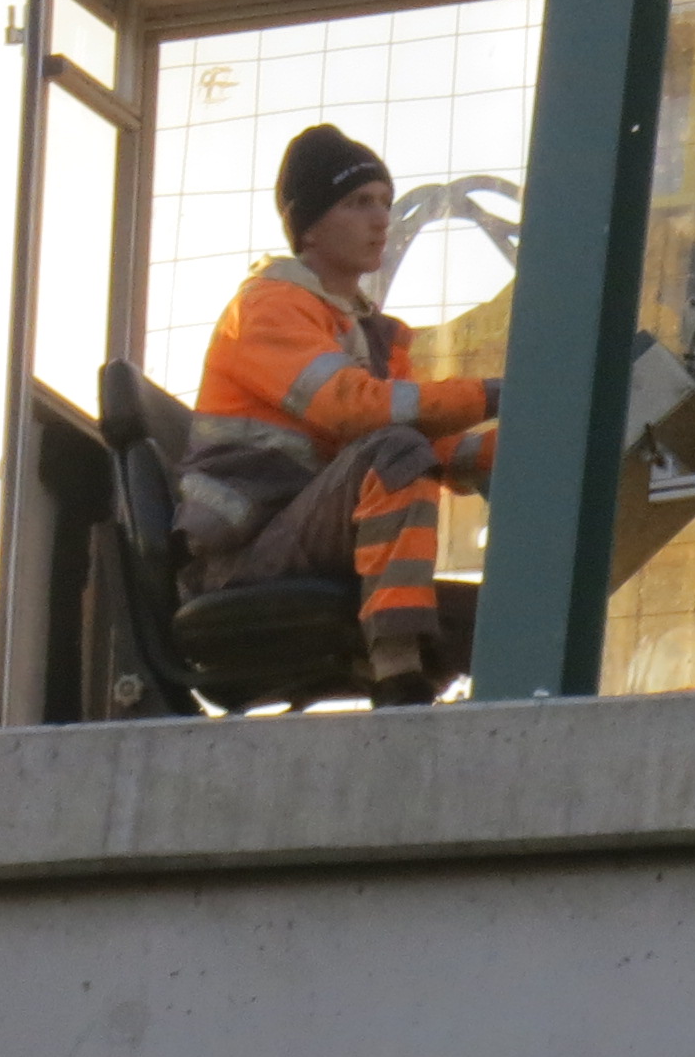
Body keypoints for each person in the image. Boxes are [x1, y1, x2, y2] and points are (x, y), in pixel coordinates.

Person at [178, 123, 500, 705]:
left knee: (496, 622)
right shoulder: (266, 309)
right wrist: (495, 394)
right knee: (395, 452)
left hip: (313, 539)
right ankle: (397, 673)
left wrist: (527, 448)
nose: (381, 219)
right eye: (358, 203)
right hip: (247, 559)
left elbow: (436, 450)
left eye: (384, 202)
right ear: (310, 226)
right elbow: (358, 412)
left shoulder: (368, 337)